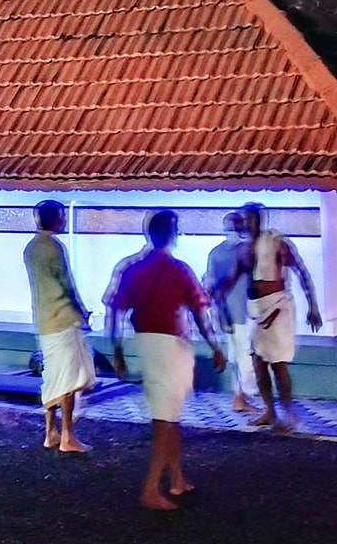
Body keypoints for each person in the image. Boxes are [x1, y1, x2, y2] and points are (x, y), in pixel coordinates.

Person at [105, 210, 225, 511]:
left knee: (169, 413)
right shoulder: (180, 269)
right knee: (166, 419)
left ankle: (177, 477)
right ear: (173, 234)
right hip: (172, 345)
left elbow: (116, 312)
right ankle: (151, 488)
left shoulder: (133, 268)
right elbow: (200, 313)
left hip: (146, 342)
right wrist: (215, 346)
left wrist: (117, 351)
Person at [218, 202, 322, 433]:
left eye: (250, 219)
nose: (247, 224)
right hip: (255, 309)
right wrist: (217, 291)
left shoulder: (277, 243)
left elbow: (301, 271)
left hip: (277, 308)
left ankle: (289, 413)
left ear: (260, 220)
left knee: (278, 363)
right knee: (259, 363)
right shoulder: (243, 250)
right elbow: (232, 278)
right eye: (243, 220)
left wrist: (313, 306)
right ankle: (269, 411)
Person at [25, 200, 94, 453]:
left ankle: (50, 433)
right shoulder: (54, 247)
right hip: (63, 319)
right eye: (62, 216)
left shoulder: (31, 248)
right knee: (67, 378)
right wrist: (82, 312)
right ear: (54, 218)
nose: (64, 220)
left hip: (44, 320)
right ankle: (66, 436)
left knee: (52, 376)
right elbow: (66, 284)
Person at [203, 210, 262, 415]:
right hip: (239, 311)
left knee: (239, 355)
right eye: (233, 225)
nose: (235, 229)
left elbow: (209, 281)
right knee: (243, 355)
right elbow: (209, 281)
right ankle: (241, 397)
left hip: (233, 311)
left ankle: (240, 397)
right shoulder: (244, 250)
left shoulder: (217, 252)